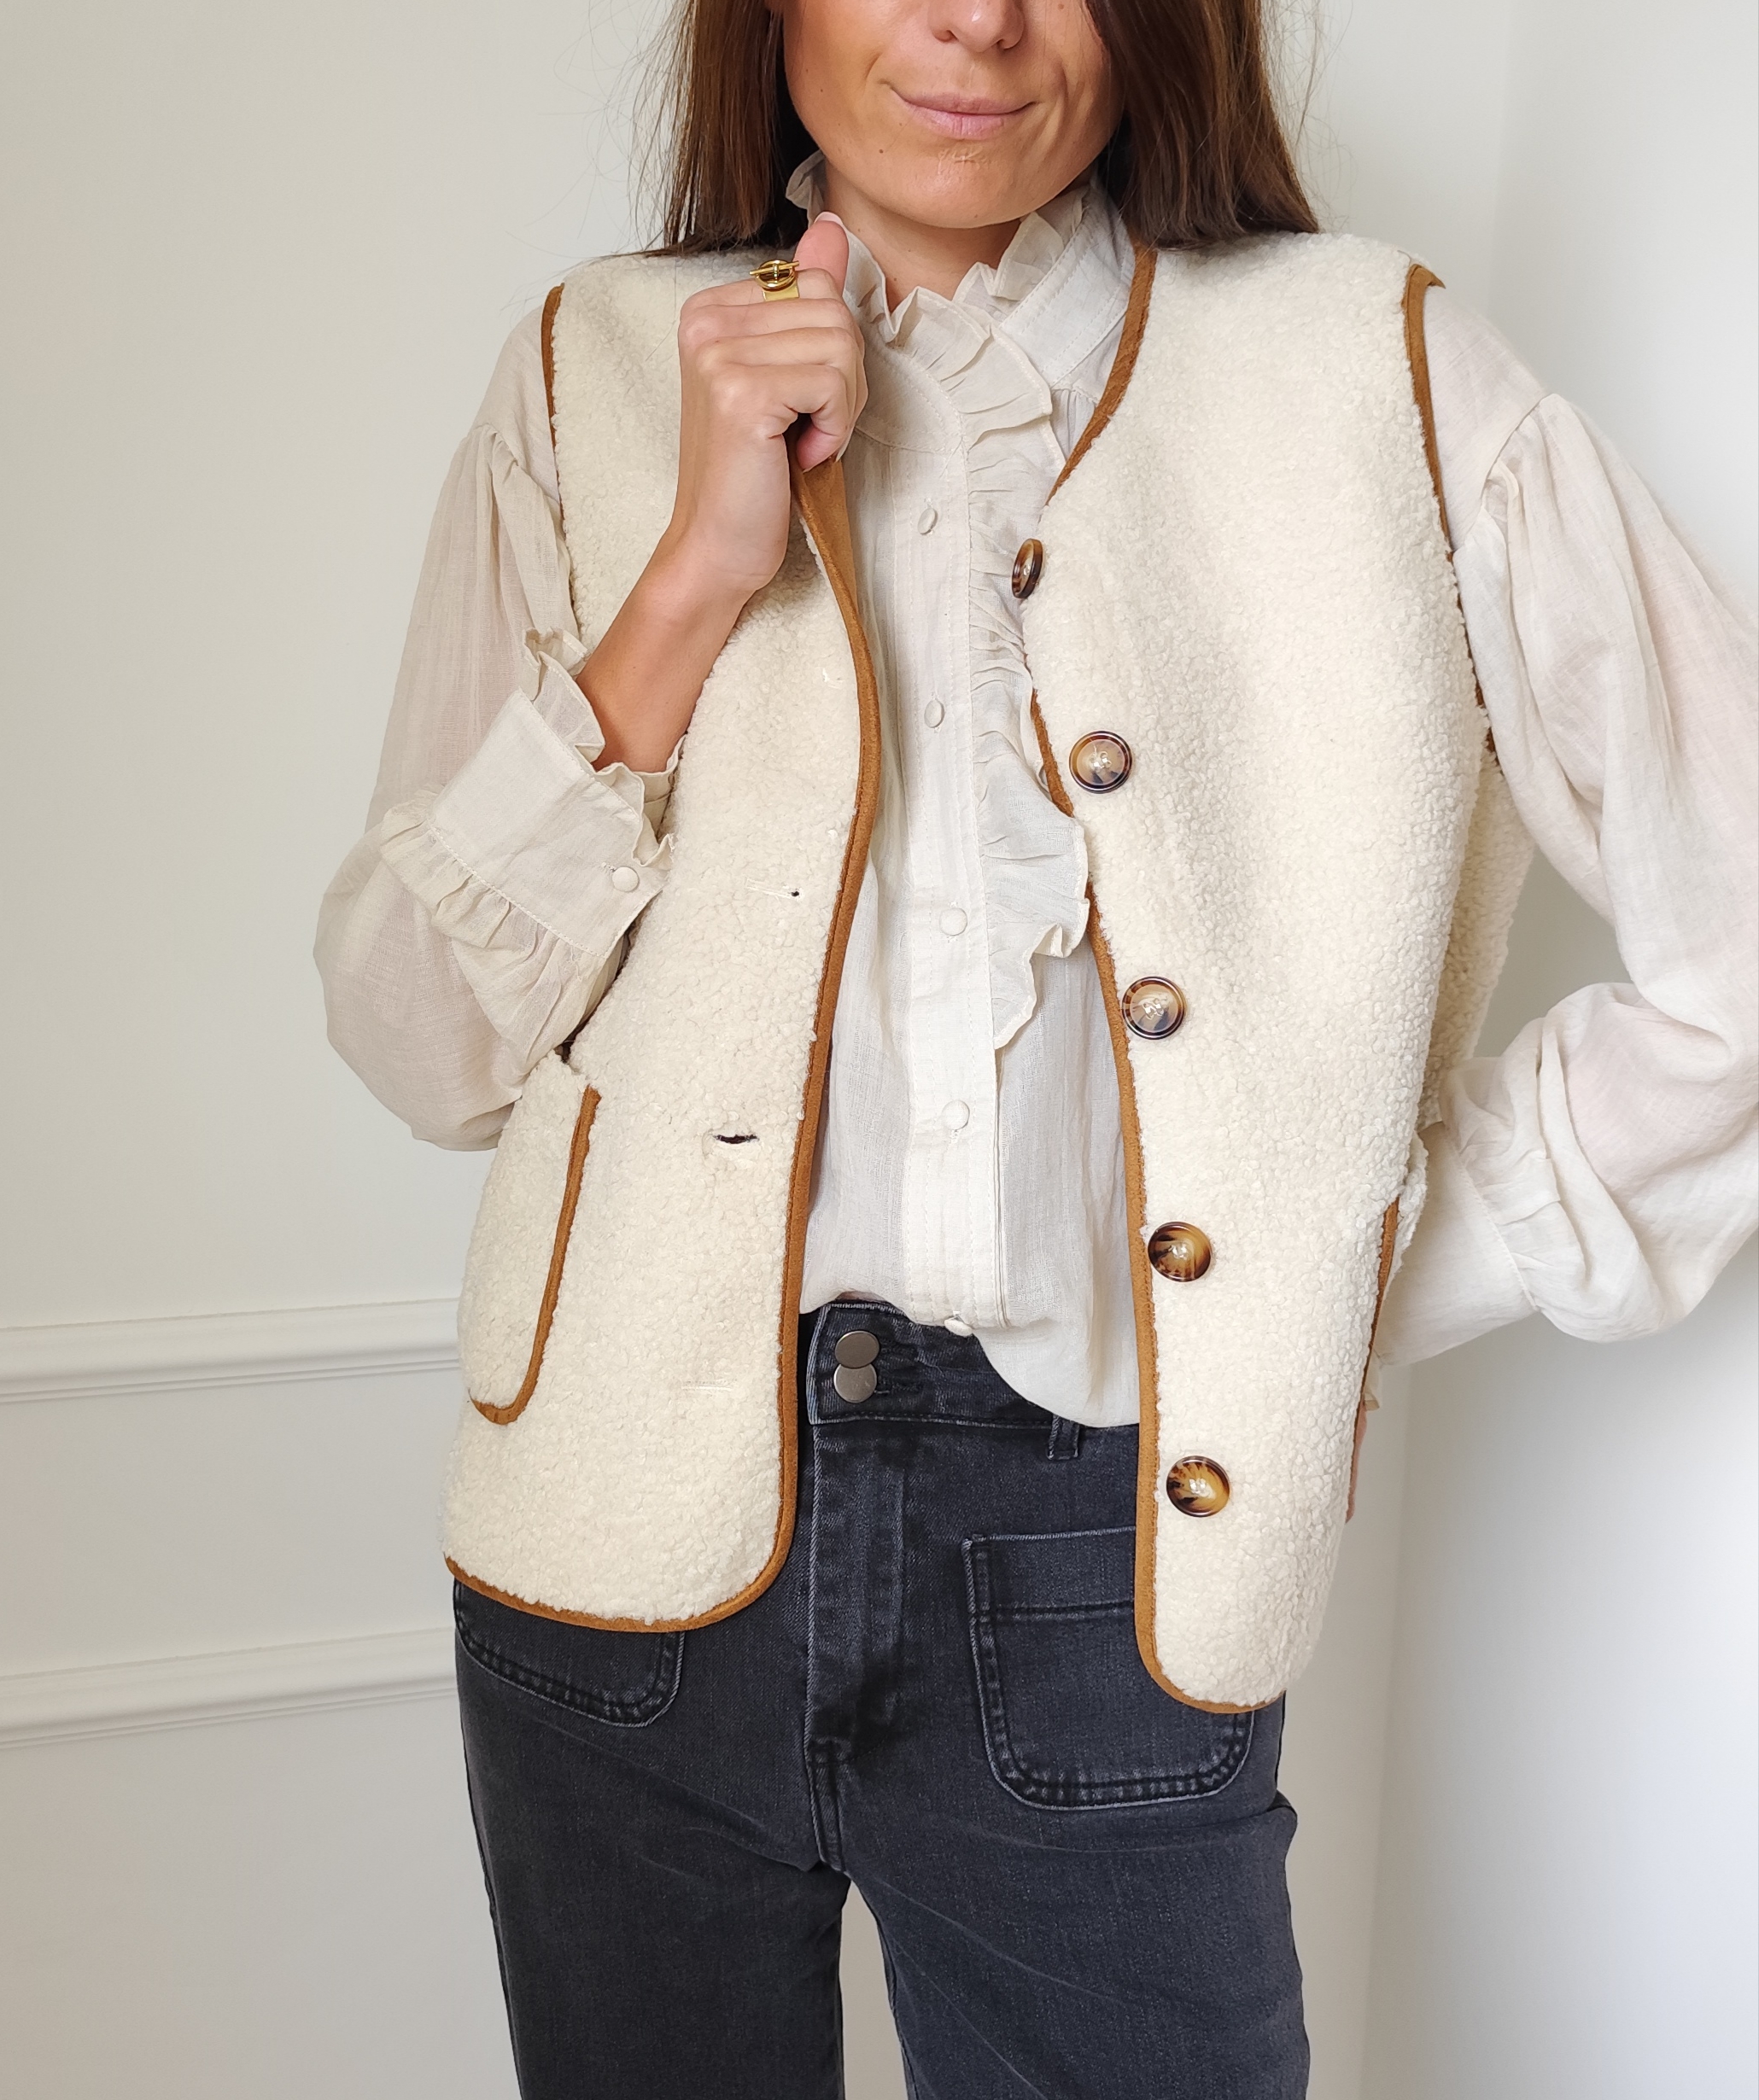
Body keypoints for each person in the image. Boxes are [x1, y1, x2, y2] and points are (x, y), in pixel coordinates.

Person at [316, 0, 1756, 2092]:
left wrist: (1334, 1267)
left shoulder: (1379, 365)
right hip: (610, 1548)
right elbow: (416, 1038)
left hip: (1110, 1546)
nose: (977, 20)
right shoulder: (591, 366)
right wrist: (696, 573)